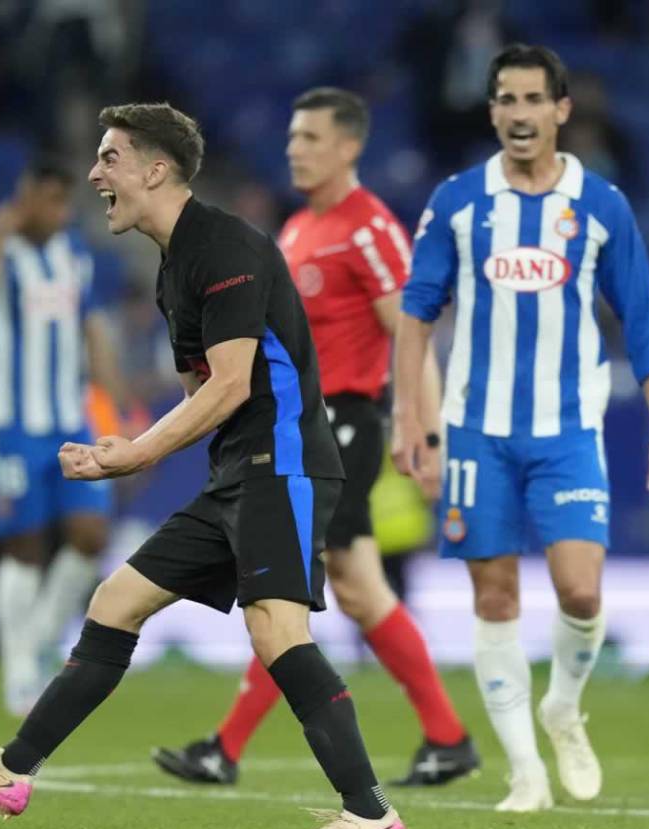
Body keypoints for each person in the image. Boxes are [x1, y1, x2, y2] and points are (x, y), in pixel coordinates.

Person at [0, 102, 408, 829]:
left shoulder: (227, 246)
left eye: (109, 159)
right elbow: (197, 396)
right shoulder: (174, 269)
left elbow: (234, 384)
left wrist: (135, 454)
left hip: (284, 462)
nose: (93, 175)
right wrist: (127, 447)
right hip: (238, 472)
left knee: (277, 631)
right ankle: (12, 772)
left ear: (155, 169)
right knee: (117, 600)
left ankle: (370, 814)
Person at [392, 44, 649, 812]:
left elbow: (645, 321)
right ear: (491, 111)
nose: (520, 114)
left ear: (562, 110)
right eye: (506, 100)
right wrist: (411, 420)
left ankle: (562, 705)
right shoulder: (458, 201)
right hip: (476, 431)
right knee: (494, 600)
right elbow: (416, 311)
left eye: (533, 100)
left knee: (580, 591)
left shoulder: (601, 205)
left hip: (568, 430)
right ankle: (525, 769)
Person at [151, 87, 479, 789]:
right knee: (351, 589)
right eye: (293, 137)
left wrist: (425, 428)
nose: (294, 148)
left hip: (346, 422)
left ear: (349, 147)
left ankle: (227, 747)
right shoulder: (300, 228)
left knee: (289, 580)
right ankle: (447, 737)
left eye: (310, 138)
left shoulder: (368, 227)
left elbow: (411, 330)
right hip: (306, 425)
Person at [0, 157, 128, 714]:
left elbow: (90, 325)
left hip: (70, 417)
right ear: (25, 198)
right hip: (11, 424)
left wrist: (114, 405)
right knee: (24, 548)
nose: (57, 214)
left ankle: (36, 644)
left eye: (62, 203)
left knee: (90, 535)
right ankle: (18, 674)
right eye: (46, 202)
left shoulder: (71, 253)